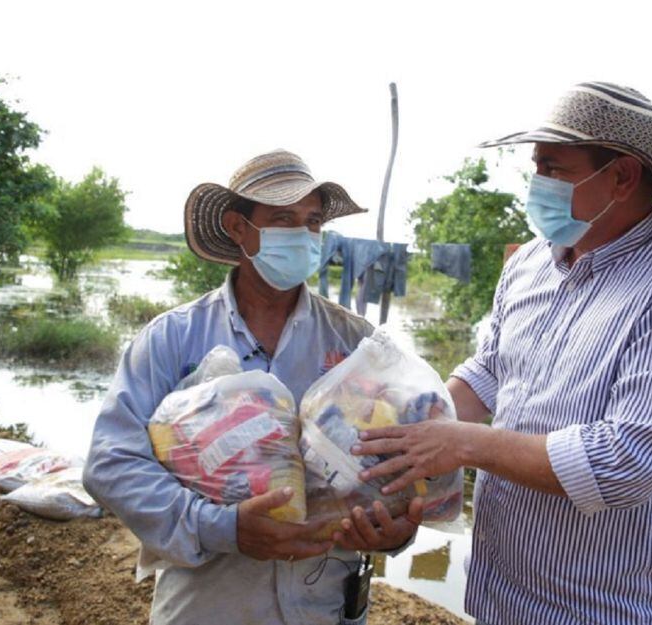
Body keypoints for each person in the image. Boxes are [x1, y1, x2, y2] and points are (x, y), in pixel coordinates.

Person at [353, 82, 652, 624]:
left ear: (623, 177)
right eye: (536, 165)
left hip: (600, 606)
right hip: (498, 589)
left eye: (554, 168)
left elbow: (628, 460)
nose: (537, 182)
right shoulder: (531, 263)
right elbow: (491, 370)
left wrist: (463, 443)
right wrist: (403, 425)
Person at [82, 149, 421, 625]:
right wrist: (223, 528)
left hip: (323, 604)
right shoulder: (173, 338)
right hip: (207, 605)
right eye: (284, 219)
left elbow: (397, 460)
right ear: (237, 228)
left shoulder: (355, 343)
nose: (302, 234)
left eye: (312, 221)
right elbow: (111, 463)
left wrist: (394, 531)